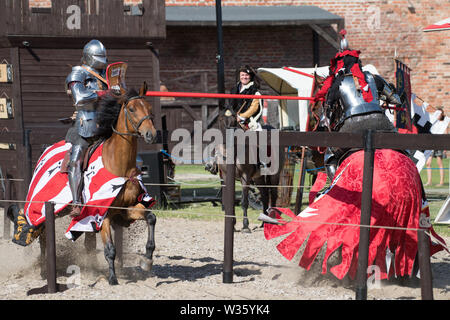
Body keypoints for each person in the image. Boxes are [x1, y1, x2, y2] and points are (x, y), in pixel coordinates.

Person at [312, 30, 402, 181]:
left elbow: (326, 116)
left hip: (351, 126)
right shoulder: (373, 78)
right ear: (357, 62)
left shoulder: (337, 83)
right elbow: (397, 101)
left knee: (331, 155)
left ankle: (337, 187)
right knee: (402, 148)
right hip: (381, 123)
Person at [65, 39, 109, 216]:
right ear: (89, 57)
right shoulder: (78, 73)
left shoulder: (108, 75)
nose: (102, 61)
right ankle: (76, 201)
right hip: (86, 124)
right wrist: (101, 93)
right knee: (76, 159)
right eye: (99, 57)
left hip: (108, 124)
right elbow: (79, 98)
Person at [229, 65, 263, 131]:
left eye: (246, 75)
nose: (244, 77)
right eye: (242, 75)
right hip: (234, 120)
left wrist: (241, 117)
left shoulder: (254, 91)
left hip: (249, 122)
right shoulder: (234, 89)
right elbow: (231, 104)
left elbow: (254, 108)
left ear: (250, 76)